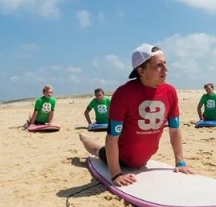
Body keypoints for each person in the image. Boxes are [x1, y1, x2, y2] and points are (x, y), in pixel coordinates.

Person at [79, 44, 192, 187]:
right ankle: (83, 137)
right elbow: (112, 137)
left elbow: (174, 130)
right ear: (141, 71)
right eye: (158, 65)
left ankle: (85, 138)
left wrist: (180, 162)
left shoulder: (170, 92)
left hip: (144, 158)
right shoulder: (123, 94)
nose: (165, 69)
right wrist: (116, 174)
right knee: (97, 150)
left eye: (165, 63)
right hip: (120, 157)